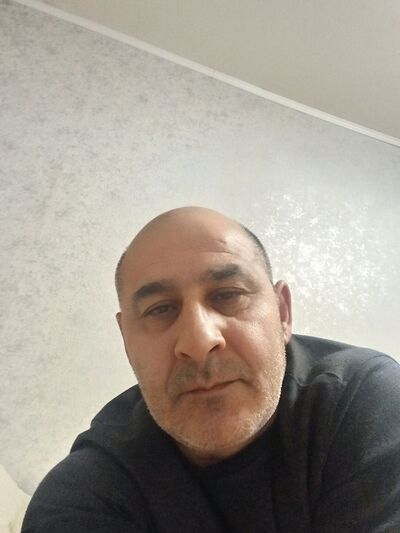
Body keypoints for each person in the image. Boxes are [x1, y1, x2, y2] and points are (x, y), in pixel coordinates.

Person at [23, 206, 400, 532]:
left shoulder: (366, 403)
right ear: (126, 340)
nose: (199, 341)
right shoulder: (90, 491)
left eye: (229, 294)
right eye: (160, 309)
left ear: (283, 313)